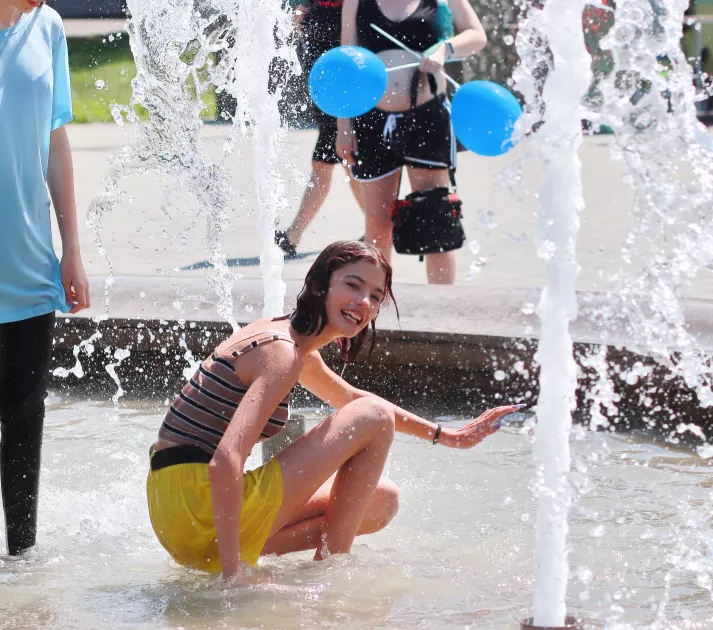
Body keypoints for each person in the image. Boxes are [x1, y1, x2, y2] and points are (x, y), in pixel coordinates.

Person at [146, 240, 519, 581]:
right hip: (197, 507)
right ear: (320, 283)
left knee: (379, 501)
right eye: (353, 285)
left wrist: (450, 436)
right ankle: (330, 573)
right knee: (373, 417)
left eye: (375, 296)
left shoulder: (292, 343)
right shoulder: (282, 353)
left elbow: (351, 399)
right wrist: (233, 576)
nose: (364, 303)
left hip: (178, 515)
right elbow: (225, 460)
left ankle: (281, 561)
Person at [0, 0, 91, 555]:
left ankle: (24, 572)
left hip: (28, 261)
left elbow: (56, 141)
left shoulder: (48, 25)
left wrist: (71, 250)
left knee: (23, 433)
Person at [338, 0, 486, 284]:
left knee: (436, 220)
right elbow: (346, 59)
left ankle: (440, 314)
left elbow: (477, 34)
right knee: (377, 227)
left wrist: (447, 48)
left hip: (427, 118)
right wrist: (343, 125)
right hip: (371, 120)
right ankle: (374, 313)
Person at [274, 0, 366, 258]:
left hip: (342, 92)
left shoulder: (349, 8)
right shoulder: (317, 6)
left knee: (329, 163)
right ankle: (377, 225)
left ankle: (293, 235)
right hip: (326, 93)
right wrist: (302, 17)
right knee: (345, 163)